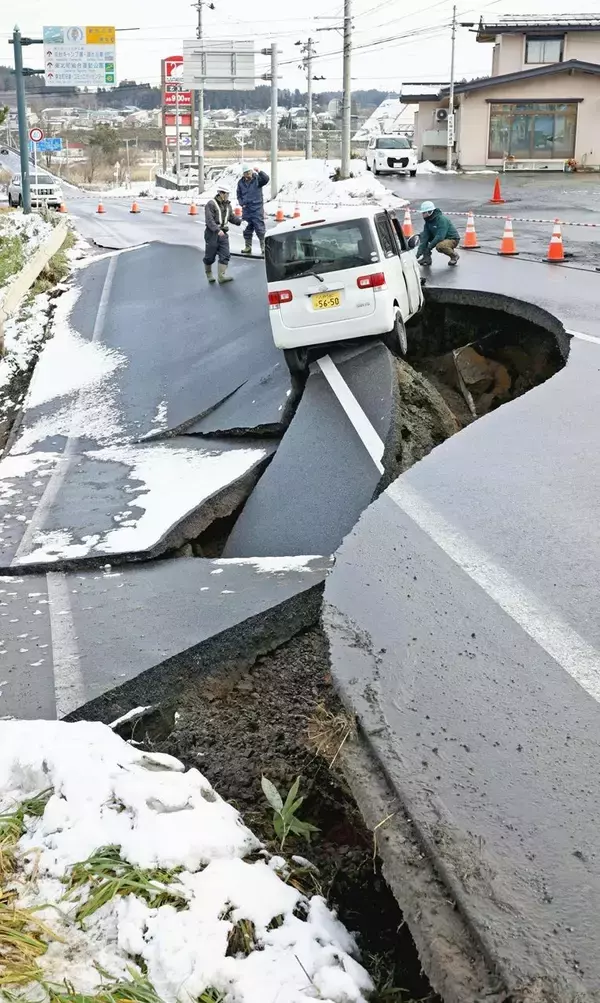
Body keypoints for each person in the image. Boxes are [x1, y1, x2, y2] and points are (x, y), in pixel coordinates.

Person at [204, 185, 241, 285]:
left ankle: (221, 276)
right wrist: (217, 230)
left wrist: (241, 221)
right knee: (209, 256)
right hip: (212, 234)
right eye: (226, 194)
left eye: (228, 194)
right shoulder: (211, 204)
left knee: (225, 254)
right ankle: (209, 273)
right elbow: (209, 220)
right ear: (221, 193)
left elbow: (231, 217)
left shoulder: (227, 205)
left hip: (223, 234)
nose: (228, 196)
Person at [236, 164, 269, 256]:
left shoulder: (257, 179)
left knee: (260, 228)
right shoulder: (240, 183)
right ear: (243, 174)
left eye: (249, 172)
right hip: (246, 209)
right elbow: (238, 194)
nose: (248, 174)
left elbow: (266, 179)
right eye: (246, 172)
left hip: (257, 208)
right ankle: (248, 246)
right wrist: (242, 203)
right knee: (247, 228)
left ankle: (263, 247)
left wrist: (259, 171)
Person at [416, 200, 460, 266]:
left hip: (452, 239)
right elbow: (425, 237)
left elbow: (440, 236)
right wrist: (418, 254)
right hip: (440, 237)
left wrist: (429, 247)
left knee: (440, 246)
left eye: (424, 213)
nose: (422, 214)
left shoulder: (441, 220)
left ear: (429, 212)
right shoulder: (428, 221)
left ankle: (454, 256)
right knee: (422, 235)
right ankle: (426, 258)